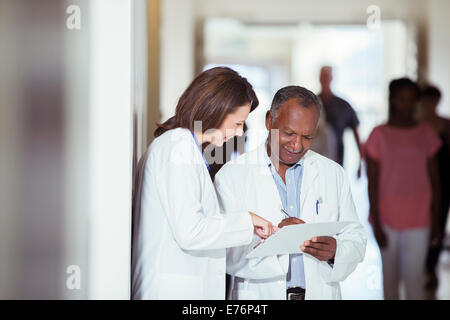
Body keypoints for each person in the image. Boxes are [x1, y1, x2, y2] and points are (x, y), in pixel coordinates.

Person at [131, 67, 276, 300]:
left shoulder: (188, 149)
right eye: (238, 123)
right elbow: (191, 231)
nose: (239, 133)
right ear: (215, 109)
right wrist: (246, 220)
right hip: (169, 291)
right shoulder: (176, 146)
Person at [214, 86, 367, 300]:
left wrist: (335, 251)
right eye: (289, 133)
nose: (296, 145)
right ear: (269, 121)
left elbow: (357, 239)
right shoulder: (232, 176)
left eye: (307, 137)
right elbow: (225, 254)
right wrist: (277, 241)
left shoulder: (333, 174)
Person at [365, 78, 442, 300]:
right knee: (389, 280)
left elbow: (435, 181)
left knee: (414, 280)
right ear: (392, 100)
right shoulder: (379, 134)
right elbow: (372, 182)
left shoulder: (426, 134)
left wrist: (436, 219)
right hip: (387, 219)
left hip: (420, 218)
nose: (406, 105)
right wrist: (376, 222)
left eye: (411, 100)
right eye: (401, 99)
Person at [419, 85, 450, 291]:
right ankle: (419, 265)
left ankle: (430, 267)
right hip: (420, 182)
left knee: (438, 221)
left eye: (434, 100)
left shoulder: (446, 124)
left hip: (443, 179)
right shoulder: (416, 126)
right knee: (421, 223)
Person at [318, 66, 362, 176]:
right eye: (323, 76)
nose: (325, 80)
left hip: (337, 161)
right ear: (319, 78)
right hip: (315, 161)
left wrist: (360, 161)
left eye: (327, 77)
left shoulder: (343, 105)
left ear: (332, 78)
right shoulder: (311, 103)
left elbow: (356, 133)